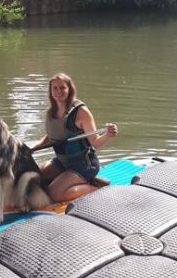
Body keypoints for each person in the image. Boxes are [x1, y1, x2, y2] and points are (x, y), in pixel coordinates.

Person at [35, 72, 118, 202]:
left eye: (62, 87)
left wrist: (107, 134)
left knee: (54, 194)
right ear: (50, 91)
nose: (58, 91)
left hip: (84, 165)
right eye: (55, 88)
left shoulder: (81, 112)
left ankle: (95, 188)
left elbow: (95, 142)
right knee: (34, 177)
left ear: (69, 89)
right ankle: (71, 181)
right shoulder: (51, 112)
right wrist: (32, 148)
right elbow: (51, 136)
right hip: (62, 162)